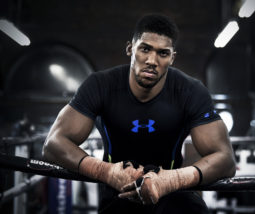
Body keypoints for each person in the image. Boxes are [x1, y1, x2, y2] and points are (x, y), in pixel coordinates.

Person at [43, 14, 236, 213]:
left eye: (162, 53)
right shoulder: (101, 85)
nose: (152, 60)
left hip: (171, 193)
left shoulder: (190, 91)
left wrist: (172, 180)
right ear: (130, 48)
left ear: (172, 58)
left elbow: (226, 159)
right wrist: (105, 171)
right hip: (116, 192)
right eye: (145, 49)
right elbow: (53, 144)